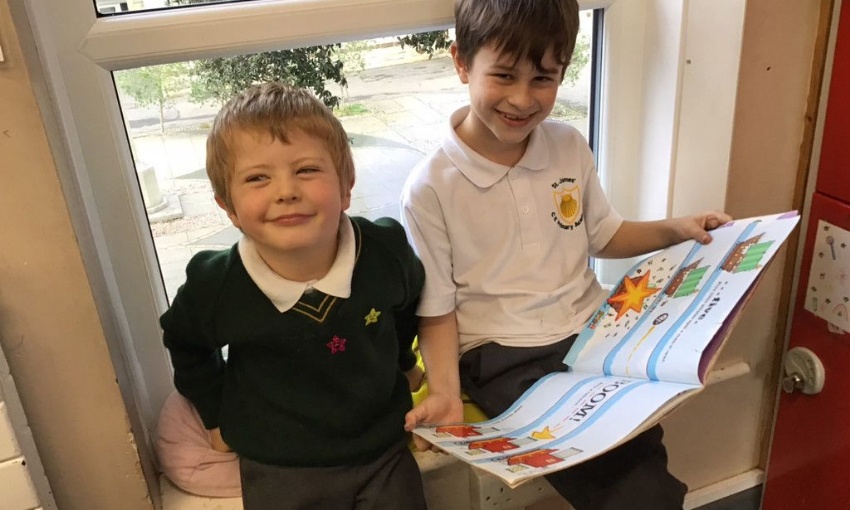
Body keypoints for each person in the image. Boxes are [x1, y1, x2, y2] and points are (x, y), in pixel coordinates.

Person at [400, 1, 732, 509]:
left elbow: (603, 234)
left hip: (591, 330)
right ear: (462, 62)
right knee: (626, 487)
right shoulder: (430, 186)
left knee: (640, 445)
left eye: (543, 78)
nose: (521, 99)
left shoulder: (568, 146)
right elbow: (437, 307)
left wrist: (674, 229)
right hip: (502, 353)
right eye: (504, 75)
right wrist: (445, 392)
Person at [161, 82, 428, 510]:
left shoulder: (385, 251)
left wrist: (404, 363)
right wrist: (215, 414)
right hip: (278, 463)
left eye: (306, 170)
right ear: (228, 206)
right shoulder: (215, 285)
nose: (286, 191)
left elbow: (408, 305)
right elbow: (184, 342)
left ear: (346, 186)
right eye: (258, 178)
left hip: (384, 449)